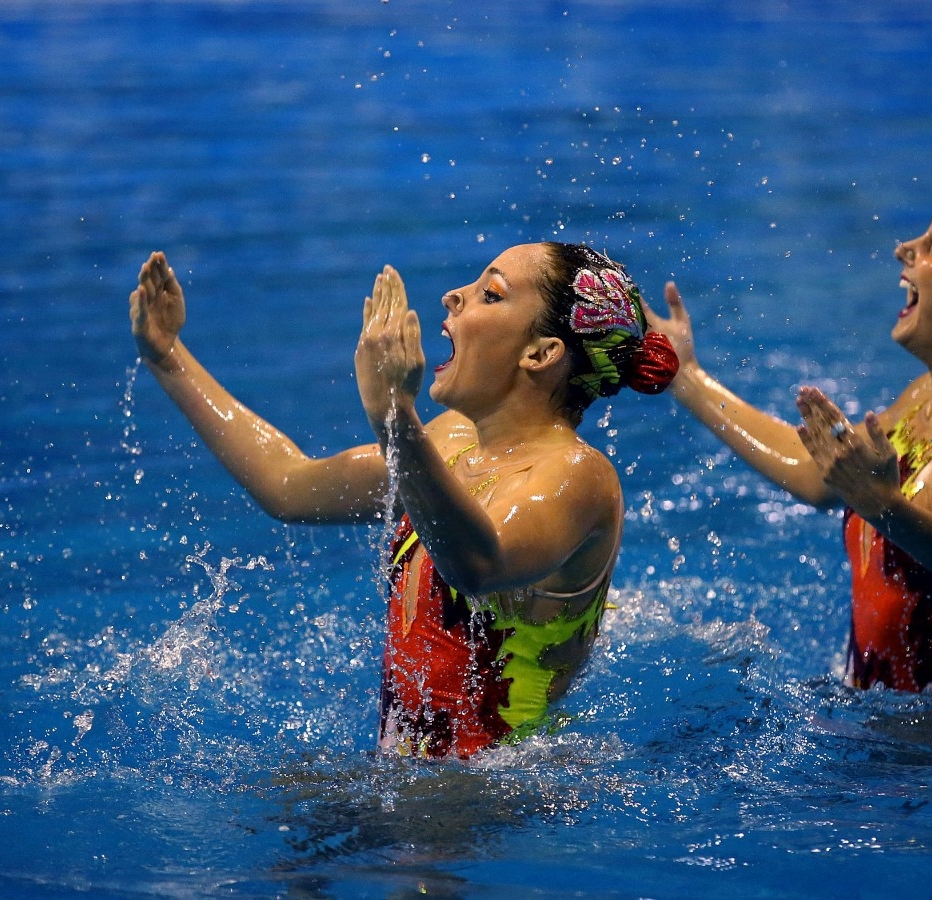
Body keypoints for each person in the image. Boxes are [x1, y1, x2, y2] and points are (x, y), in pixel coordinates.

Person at [129, 243, 678, 758]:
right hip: (412, 779)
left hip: (500, 789)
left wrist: (395, 416)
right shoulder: (449, 440)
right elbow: (289, 486)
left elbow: (480, 564)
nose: (452, 296)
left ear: (541, 353)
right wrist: (168, 357)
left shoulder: (577, 476)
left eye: (492, 294)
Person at [645, 192, 932, 692]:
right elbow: (818, 478)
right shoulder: (923, 397)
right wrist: (688, 379)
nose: (904, 249)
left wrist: (883, 505)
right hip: (874, 722)